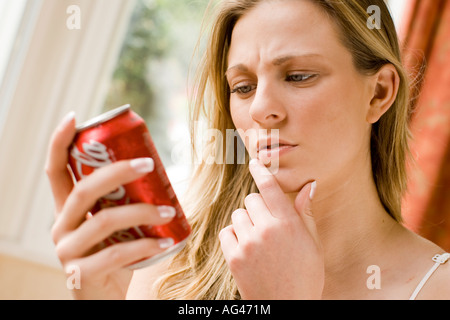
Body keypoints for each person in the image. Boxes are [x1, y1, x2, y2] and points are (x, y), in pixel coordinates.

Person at [46, 0, 450, 300]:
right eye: (243, 86)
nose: (259, 109)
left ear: (378, 93)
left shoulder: (435, 288)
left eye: (298, 76)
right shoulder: (178, 267)